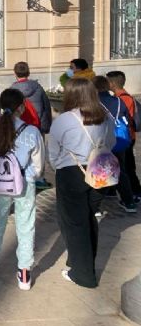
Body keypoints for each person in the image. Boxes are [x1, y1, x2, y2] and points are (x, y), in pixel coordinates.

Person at [48, 78, 115, 288]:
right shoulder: (104, 116)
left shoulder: (64, 119)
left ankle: (83, 273)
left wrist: (61, 164)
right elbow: (111, 142)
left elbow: (53, 151)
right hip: (100, 171)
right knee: (88, 217)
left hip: (72, 172)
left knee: (75, 223)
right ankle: (79, 260)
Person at [0, 89, 45, 291]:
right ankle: (24, 271)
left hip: (0, 182)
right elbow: (39, 164)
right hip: (25, 182)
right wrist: (30, 176)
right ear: (21, 106)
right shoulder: (32, 131)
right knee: (26, 225)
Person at [93, 76, 136, 212]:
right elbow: (126, 118)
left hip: (101, 140)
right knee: (121, 170)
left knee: (98, 171)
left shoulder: (93, 102)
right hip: (119, 139)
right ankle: (128, 201)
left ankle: (95, 206)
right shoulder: (118, 100)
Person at [10, 62, 53, 190]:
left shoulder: (11, 90)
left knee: (19, 151)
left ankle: (20, 176)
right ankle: (39, 179)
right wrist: (45, 125)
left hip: (18, 127)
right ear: (28, 72)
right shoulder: (38, 88)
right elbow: (46, 107)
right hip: (36, 125)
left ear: (15, 73)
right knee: (38, 153)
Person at [107, 70, 141, 201]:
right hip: (127, 137)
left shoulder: (123, 99)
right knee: (124, 164)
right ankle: (113, 190)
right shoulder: (123, 97)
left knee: (127, 167)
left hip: (126, 137)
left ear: (112, 83)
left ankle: (135, 191)